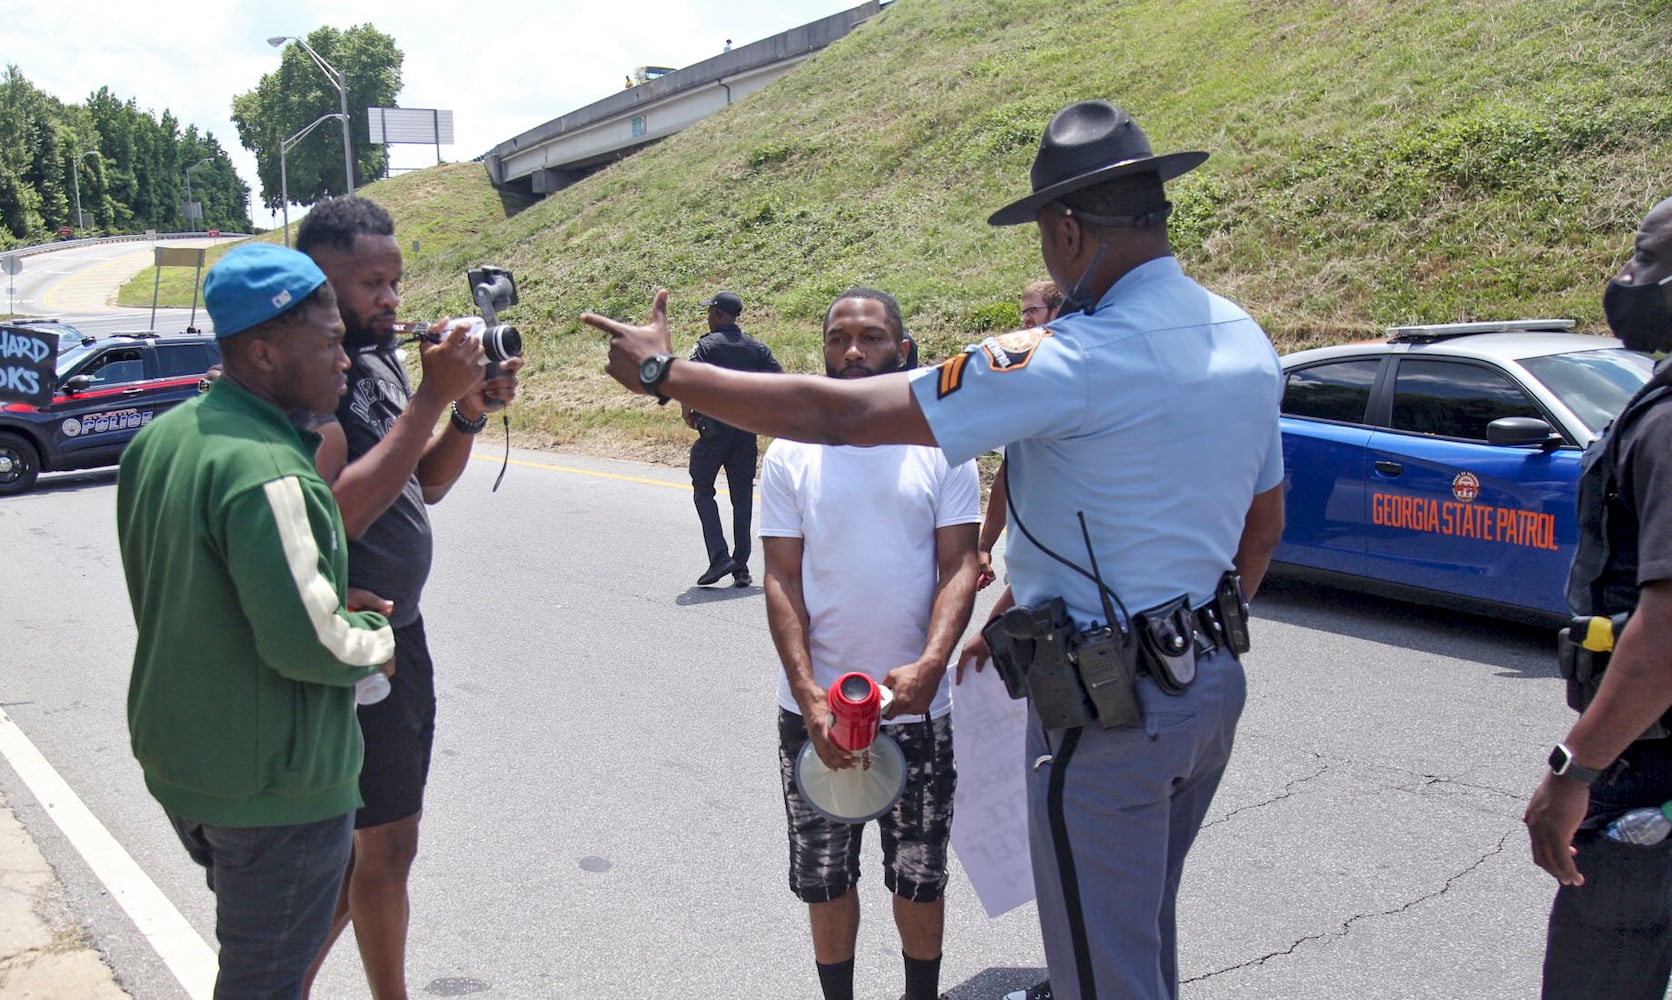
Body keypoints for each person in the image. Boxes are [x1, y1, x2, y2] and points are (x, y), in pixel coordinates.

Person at [585, 99, 1285, 1000]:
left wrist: (662, 374)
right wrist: (1175, 628)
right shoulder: (1243, 336)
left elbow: (838, 414)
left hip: (1114, 710)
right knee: (1140, 936)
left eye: (1042, 237)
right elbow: (1259, 530)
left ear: (1068, 231)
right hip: (1209, 686)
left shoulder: (1068, 356)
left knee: (1102, 971)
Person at [116, 243, 396, 1000]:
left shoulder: (162, 441)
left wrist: (329, 596)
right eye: (331, 342)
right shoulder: (269, 470)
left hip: (189, 764)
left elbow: (206, 588)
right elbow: (313, 645)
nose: (347, 361)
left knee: (254, 959)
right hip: (274, 783)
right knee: (263, 983)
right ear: (265, 354)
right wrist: (374, 641)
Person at [295, 195, 521, 1000]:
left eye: (395, 280)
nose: (391, 300)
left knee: (386, 850)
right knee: (364, 854)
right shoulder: (310, 378)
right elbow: (339, 513)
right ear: (316, 279)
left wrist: (464, 412)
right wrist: (432, 398)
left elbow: (421, 486)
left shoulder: (384, 361)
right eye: (370, 284)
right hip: (343, 643)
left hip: (400, 637)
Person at [761, 288, 980, 1000]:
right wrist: (806, 696)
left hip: (919, 709)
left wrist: (929, 666)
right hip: (816, 714)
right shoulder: (790, 452)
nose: (853, 352)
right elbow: (781, 579)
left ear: (903, 350)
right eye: (838, 339)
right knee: (824, 877)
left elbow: (961, 566)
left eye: (872, 338)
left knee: (919, 876)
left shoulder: (943, 447)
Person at [1526, 194, 1672, 999]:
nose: (1627, 278)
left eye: (1645, 259)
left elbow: (1665, 633)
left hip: (1650, 771)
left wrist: (1575, 770)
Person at [683, 289, 782, 587]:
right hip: (745, 431)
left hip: (713, 429)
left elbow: (688, 380)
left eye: (709, 311)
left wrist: (687, 412)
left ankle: (719, 556)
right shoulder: (757, 348)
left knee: (703, 489)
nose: (707, 317)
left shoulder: (705, 346)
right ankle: (741, 567)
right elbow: (779, 381)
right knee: (742, 498)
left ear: (717, 313)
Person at [977, 280, 1064, 591]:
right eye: (1023, 311)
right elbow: (1011, 468)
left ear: (1058, 311)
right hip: (1033, 557)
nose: (1026, 318)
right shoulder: (1021, 376)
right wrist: (985, 544)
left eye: (1034, 310)